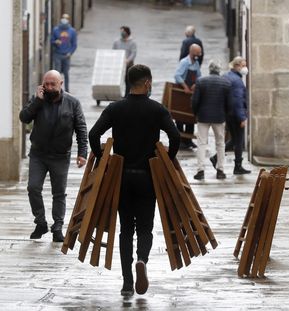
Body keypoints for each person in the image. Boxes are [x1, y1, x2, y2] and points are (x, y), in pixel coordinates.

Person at [89, 64, 180, 296]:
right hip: (147, 177)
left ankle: (127, 282)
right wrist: (167, 160)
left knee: (126, 229)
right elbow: (175, 136)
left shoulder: (115, 109)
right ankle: (142, 260)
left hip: (122, 177)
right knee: (146, 228)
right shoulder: (156, 110)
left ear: (129, 82)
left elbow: (93, 134)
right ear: (147, 83)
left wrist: (103, 159)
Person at [19, 70, 88, 242]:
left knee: (59, 193)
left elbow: (81, 128)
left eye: (53, 84)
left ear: (61, 84)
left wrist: (82, 153)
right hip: (38, 154)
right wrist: (37, 101)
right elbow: (24, 118)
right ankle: (40, 222)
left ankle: (58, 226)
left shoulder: (72, 102)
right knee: (33, 188)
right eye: (46, 84)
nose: (49, 87)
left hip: (60, 156)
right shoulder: (38, 100)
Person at [192, 59, 232, 180]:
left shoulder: (201, 81)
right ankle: (220, 170)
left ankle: (200, 171)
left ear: (209, 69)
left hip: (203, 117)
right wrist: (226, 115)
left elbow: (195, 101)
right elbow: (229, 103)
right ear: (219, 70)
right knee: (220, 144)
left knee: (201, 143)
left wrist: (196, 113)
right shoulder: (226, 83)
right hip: (219, 117)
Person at [211, 56, 251, 175]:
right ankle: (237, 166)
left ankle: (216, 158)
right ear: (237, 66)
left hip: (227, 113)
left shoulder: (226, 76)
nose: (245, 68)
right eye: (243, 65)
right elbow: (237, 100)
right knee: (239, 140)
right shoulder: (237, 81)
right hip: (235, 114)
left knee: (234, 139)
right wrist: (242, 118)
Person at [174, 43, 202, 149]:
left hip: (191, 93)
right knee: (180, 117)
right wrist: (185, 86)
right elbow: (177, 75)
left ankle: (188, 141)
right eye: (197, 52)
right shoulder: (184, 62)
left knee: (190, 116)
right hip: (181, 92)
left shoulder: (196, 63)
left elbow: (199, 75)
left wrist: (196, 83)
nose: (199, 54)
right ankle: (180, 141)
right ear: (192, 52)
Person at [51, 13, 77, 92]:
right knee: (57, 73)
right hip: (57, 54)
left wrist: (70, 52)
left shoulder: (72, 31)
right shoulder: (56, 30)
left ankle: (67, 90)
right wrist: (56, 42)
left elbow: (74, 44)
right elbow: (51, 40)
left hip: (66, 55)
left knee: (66, 73)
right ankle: (57, 89)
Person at [113, 26, 137, 97]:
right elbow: (113, 51)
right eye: (121, 31)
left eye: (123, 31)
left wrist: (128, 60)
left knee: (128, 81)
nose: (122, 33)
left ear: (127, 32)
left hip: (128, 65)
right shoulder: (116, 42)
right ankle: (116, 94)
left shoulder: (132, 43)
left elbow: (133, 53)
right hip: (118, 64)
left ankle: (127, 96)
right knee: (117, 80)